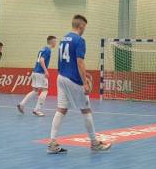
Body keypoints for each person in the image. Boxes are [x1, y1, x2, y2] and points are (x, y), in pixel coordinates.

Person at [48, 15, 112, 154]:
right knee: (86, 110)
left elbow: (63, 60)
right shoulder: (79, 40)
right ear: (81, 26)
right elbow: (80, 62)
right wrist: (85, 83)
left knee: (61, 109)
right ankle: (94, 143)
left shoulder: (64, 39)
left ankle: (52, 143)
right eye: (85, 27)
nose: (85, 29)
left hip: (61, 77)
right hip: (73, 79)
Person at [18, 36, 56, 117]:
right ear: (51, 42)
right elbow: (41, 60)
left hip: (35, 72)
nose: (55, 43)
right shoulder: (48, 50)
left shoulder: (42, 49)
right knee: (45, 90)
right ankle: (37, 110)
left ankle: (22, 104)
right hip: (40, 73)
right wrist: (46, 71)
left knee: (35, 91)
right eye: (55, 42)